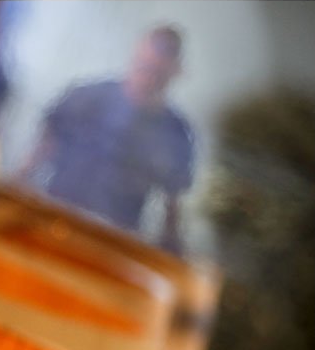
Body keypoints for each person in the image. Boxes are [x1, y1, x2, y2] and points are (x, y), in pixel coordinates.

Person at [20, 26, 195, 252]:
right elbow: (37, 155)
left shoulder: (176, 134)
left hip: (110, 246)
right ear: (136, 54)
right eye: (145, 66)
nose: (149, 76)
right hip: (50, 222)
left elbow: (172, 211)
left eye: (157, 71)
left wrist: (173, 253)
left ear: (175, 71)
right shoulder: (84, 98)